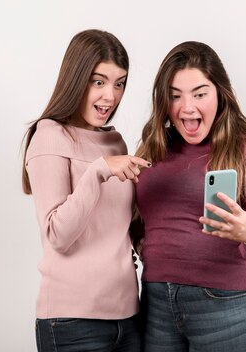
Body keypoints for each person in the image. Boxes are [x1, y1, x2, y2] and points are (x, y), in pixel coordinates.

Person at [132, 41, 246, 351]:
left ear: (220, 94)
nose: (187, 107)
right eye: (175, 96)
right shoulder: (154, 148)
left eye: (199, 94)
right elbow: (141, 218)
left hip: (229, 307)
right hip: (157, 304)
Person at [22, 29, 150, 352]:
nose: (111, 96)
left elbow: (121, 228)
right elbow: (58, 234)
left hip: (128, 316)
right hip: (71, 323)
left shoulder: (114, 141)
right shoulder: (49, 136)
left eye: (119, 83)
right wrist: (99, 171)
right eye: (99, 81)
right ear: (76, 78)